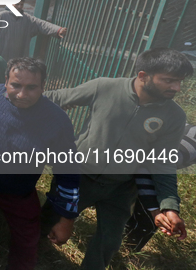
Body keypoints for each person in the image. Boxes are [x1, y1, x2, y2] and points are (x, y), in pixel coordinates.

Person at [44, 48, 193, 270]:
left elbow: (163, 161)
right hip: (80, 175)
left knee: (109, 242)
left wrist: (169, 206)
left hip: (122, 186)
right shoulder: (104, 87)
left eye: (179, 81)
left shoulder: (174, 116)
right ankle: (32, 253)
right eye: (169, 80)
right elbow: (57, 98)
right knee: (47, 220)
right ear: (143, 76)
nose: (176, 88)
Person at [0, 57, 80, 270]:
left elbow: (68, 171)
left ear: (43, 86)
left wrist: (67, 219)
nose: (22, 94)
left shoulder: (56, 120)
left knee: (27, 240)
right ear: (5, 81)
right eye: (16, 85)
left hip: (18, 191)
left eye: (31, 87)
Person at [125, 123, 196, 251]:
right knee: (150, 219)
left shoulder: (182, 127)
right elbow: (146, 165)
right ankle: (125, 249)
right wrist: (155, 210)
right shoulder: (189, 145)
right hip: (118, 166)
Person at [0, 0, 67, 61]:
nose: (19, 6)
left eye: (21, 4)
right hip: (2, 54)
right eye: (17, 4)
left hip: (19, 57)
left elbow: (41, 24)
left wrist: (57, 29)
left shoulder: (27, 18)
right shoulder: (2, 16)